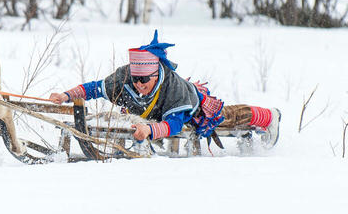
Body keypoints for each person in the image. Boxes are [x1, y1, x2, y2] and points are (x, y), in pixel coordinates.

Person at [48, 30, 280, 147]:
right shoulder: (124, 78)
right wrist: (66, 95)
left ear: (156, 73)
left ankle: (270, 116)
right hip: (151, 115)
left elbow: (176, 123)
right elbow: (95, 88)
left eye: (145, 80)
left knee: (229, 117)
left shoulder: (173, 88)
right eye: (136, 81)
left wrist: (150, 132)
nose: (140, 85)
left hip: (193, 109)